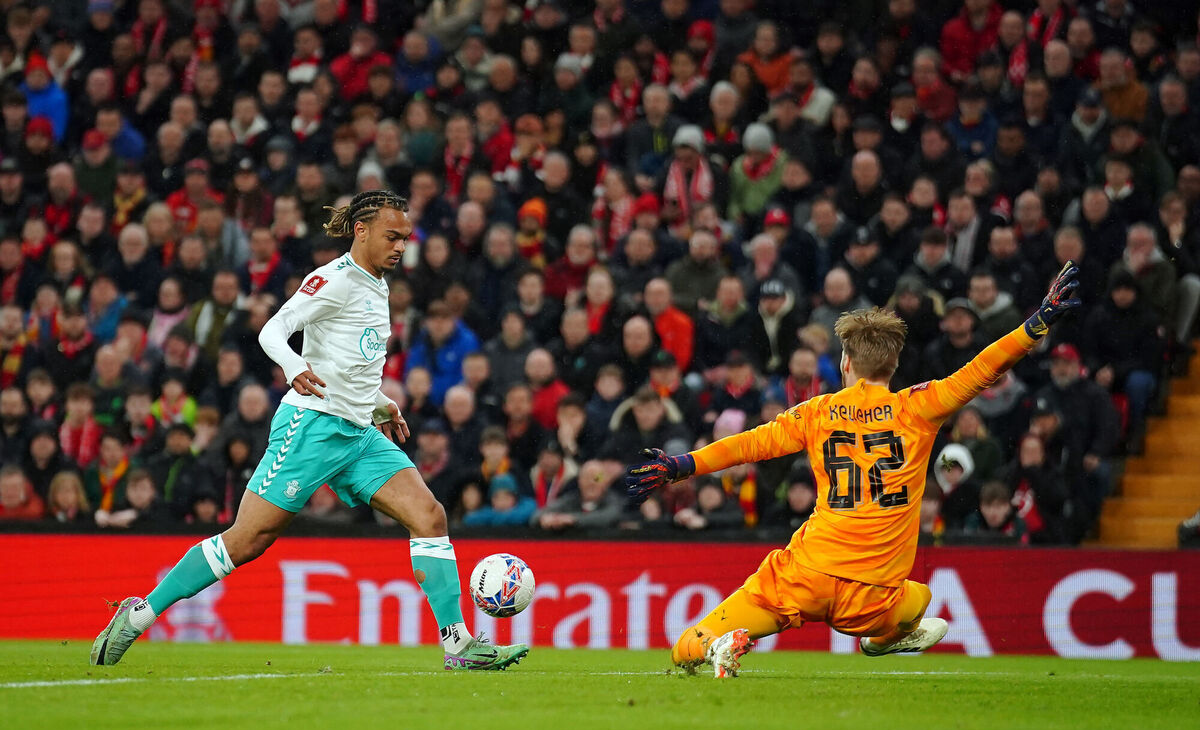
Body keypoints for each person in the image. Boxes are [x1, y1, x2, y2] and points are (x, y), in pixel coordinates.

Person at [91, 191, 527, 672]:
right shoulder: (334, 280)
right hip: (311, 427)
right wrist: (294, 366)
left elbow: (350, 358)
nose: (401, 246)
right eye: (392, 236)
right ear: (361, 231)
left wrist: (379, 403)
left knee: (428, 515)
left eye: (405, 237)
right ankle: (139, 614)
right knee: (247, 541)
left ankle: (459, 645)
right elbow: (272, 331)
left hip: (358, 431)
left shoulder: (376, 282)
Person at [626, 262, 1081, 677]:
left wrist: (683, 464)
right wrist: (1035, 323)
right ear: (895, 363)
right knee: (920, 600)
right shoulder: (919, 408)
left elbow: (751, 445)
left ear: (845, 363)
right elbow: (983, 368)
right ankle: (883, 640)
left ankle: (714, 646)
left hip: (805, 575)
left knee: (684, 647)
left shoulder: (817, 412)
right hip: (874, 595)